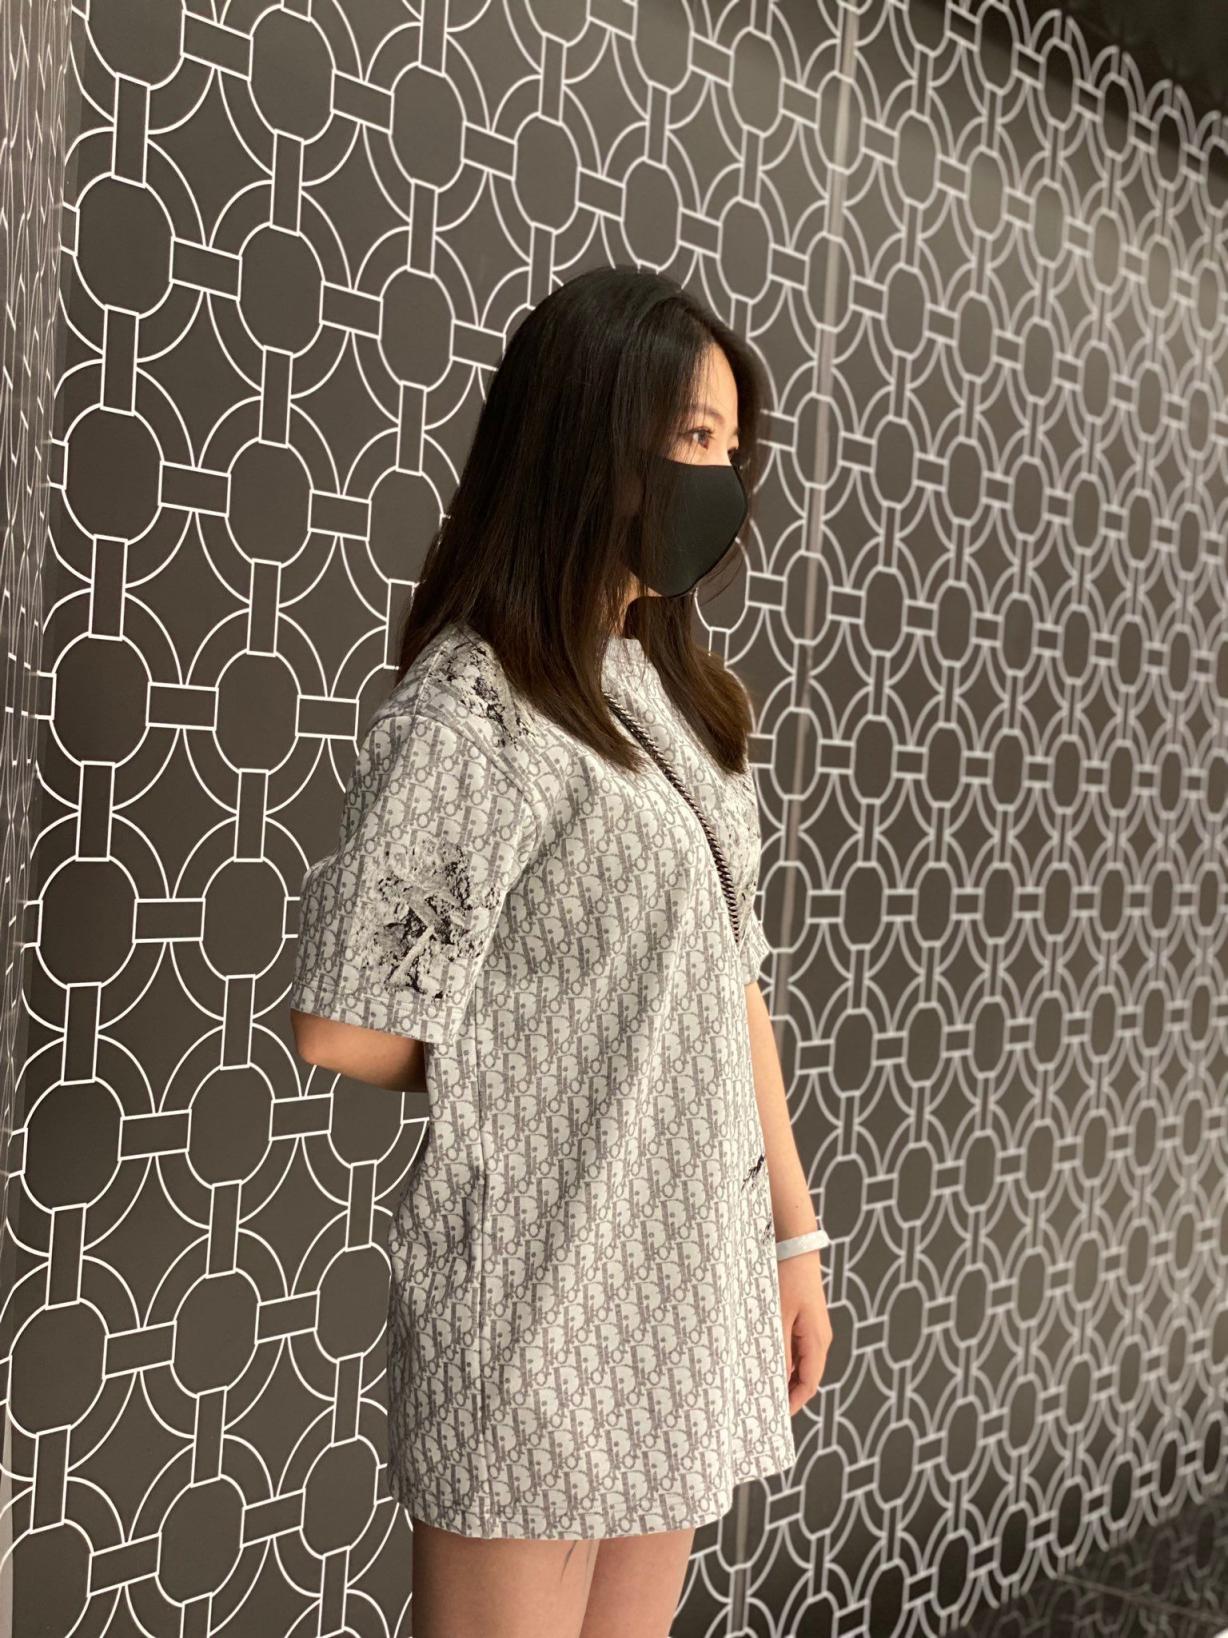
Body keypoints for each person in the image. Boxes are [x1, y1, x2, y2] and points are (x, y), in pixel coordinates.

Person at [288, 266, 834, 1638]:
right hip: (537, 1287)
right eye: (692, 435)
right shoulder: (472, 712)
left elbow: (733, 987)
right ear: (592, 435)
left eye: (730, 445)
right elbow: (350, 1025)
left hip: (687, 1274)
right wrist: (552, 1050)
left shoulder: (683, 698)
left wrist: (794, 1239)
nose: (720, 478)